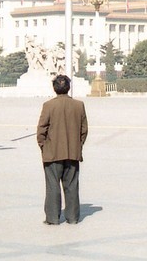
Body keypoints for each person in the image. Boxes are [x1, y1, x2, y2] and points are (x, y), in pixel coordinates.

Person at [36, 74, 88, 225]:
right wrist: (78, 145)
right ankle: (72, 217)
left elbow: (41, 130)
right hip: (72, 152)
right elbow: (84, 130)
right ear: (68, 87)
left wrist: (44, 146)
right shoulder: (79, 105)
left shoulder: (48, 105)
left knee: (53, 185)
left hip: (52, 152)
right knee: (72, 185)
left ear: (54, 88)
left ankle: (52, 218)